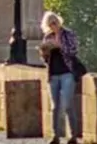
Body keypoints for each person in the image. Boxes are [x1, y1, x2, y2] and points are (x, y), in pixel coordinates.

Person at [40, 12, 83, 144]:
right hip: (53, 74)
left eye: (54, 22)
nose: (53, 25)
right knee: (55, 107)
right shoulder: (48, 36)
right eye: (50, 24)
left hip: (67, 73)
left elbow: (73, 50)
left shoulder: (68, 34)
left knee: (68, 104)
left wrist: (60, 46)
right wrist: (45, 52)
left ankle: (73, 136)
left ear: (59, 22)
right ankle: (55, 136)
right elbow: (45, 59)